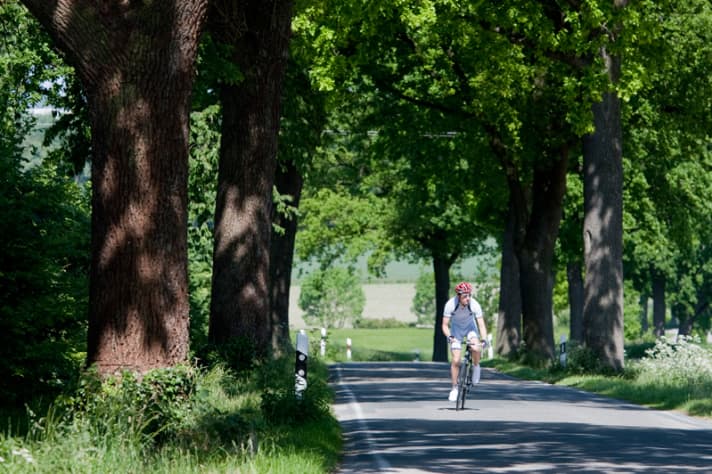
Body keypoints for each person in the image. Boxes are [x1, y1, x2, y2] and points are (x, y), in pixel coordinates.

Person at [441, 281, 488, 402]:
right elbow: (445, 325)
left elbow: (481, 325)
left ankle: (476, 366)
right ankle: (454, 388)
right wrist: (450, 336)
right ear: (458, 296)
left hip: (470, 328)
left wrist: (483, 339)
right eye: (464, 296)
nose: (468, 298)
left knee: (476, 348)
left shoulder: (474, 305)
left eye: (469, 295)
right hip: (456, 331)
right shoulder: (450, 305)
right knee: (456, 360)